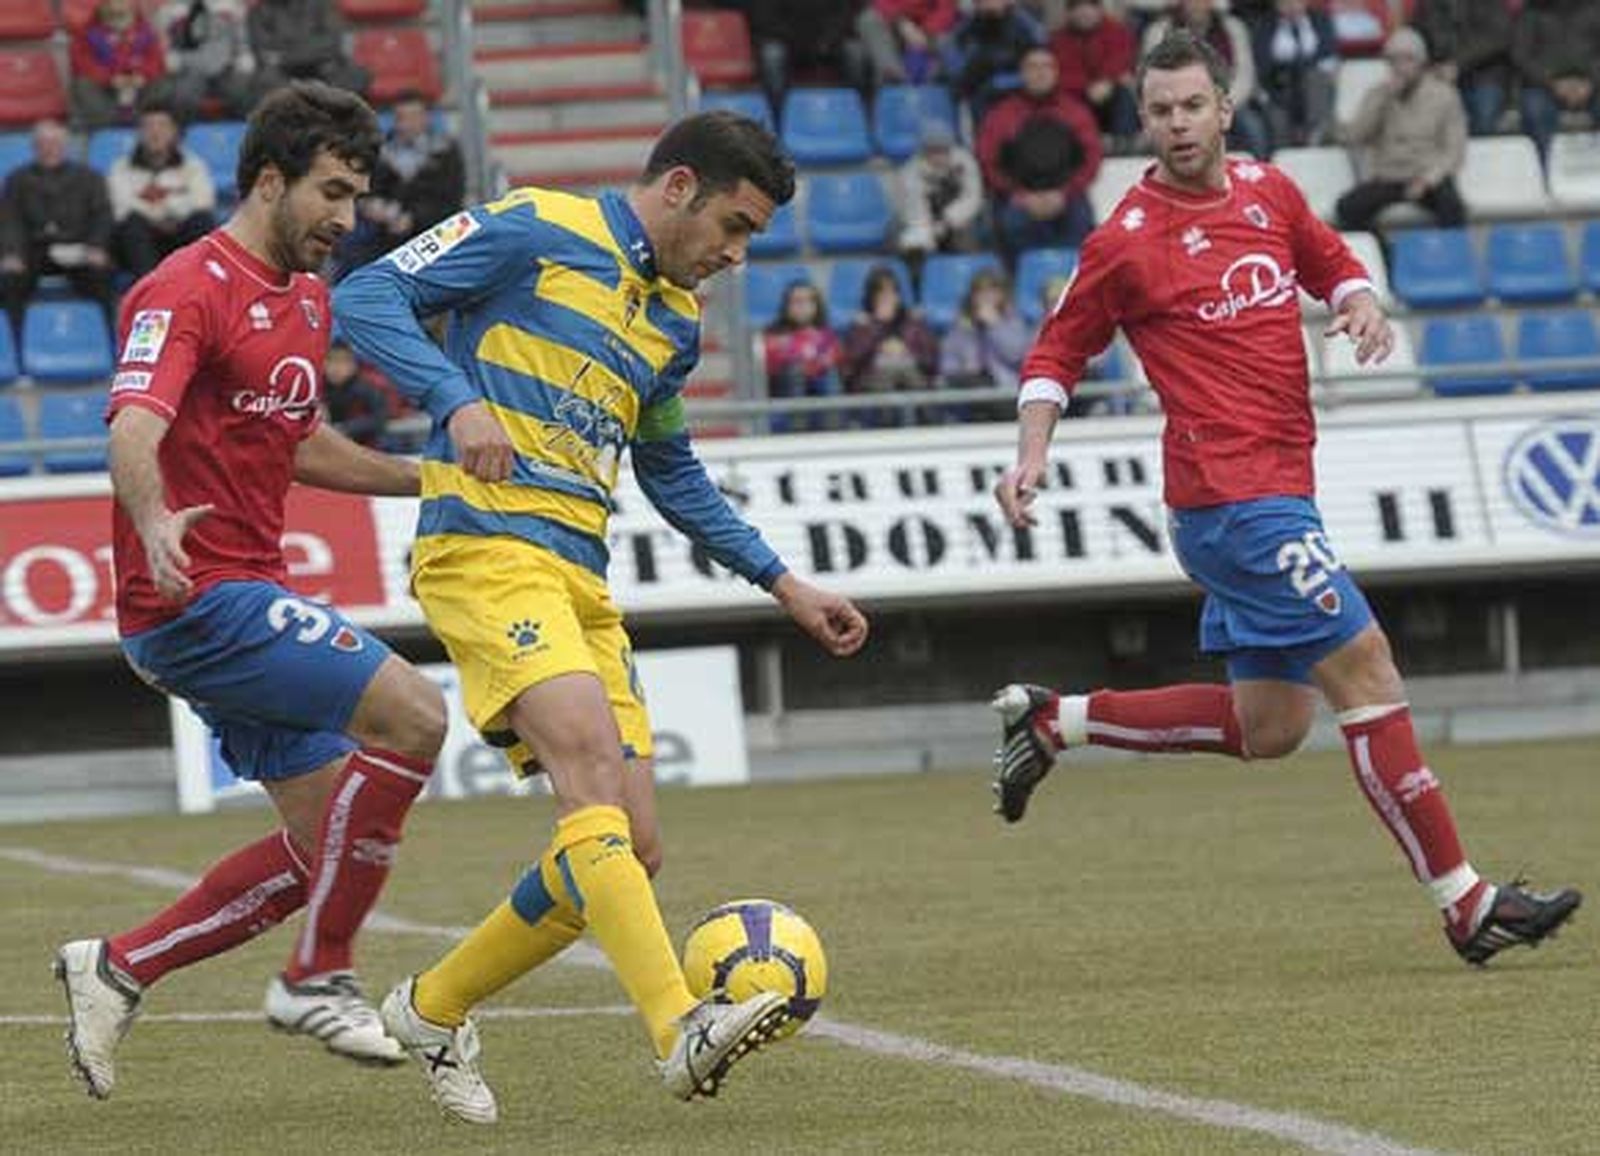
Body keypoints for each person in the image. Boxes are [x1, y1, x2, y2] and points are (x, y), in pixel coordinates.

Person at [990, 31, 1581, 968]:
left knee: (1269, 727)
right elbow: (1057, 353)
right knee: (1368, 667)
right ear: (1141, 121)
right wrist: (1030, 453)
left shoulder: (1269, 191)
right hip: (1231, 503)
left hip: (1278, 492)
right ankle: (1467, 904)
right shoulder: (1125, 241)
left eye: (1193, 106)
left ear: (1225, 108)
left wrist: (1357, 299)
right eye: (1160, 110)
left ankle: (1054, 720)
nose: (1178, 125)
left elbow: (1329, 256)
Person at [333, 110, 869, 1124]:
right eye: (733, 226)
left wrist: (781, 581)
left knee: (630, 844)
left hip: (580, 573)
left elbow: (669, 469)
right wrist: (453, 399)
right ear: (678, 188)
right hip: (485, 546)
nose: (737, 254)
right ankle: (678, 1027)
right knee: (586, 772)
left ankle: (431, 1006)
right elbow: (366, 294)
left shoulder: (672, 322)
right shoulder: (535, 227)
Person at [52, 82, 450, 1102]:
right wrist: (151, 523)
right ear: (269, 178)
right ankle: (321, 974)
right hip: (191, 599)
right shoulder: (183, 288)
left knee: (327, 845)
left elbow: (299, 438)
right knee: (413, 712)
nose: (346, 218)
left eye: (357, 195)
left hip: (247, 590)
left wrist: (426, 477)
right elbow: (131, 428)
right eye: (331, 191)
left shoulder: (309, 298)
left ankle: (118, 966)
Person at [1334, 27, 1467, 233]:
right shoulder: (1378, 93)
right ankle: (1382, 256)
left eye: (1407, 60)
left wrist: (1428, 179)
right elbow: (1356, 136)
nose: (1400, 67)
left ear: (1421, 62)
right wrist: (1383, 100)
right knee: (1347, 207)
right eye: (1393, 60)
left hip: (1427, 175)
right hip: (1389, 176)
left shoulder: (1445, 95)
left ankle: (1446, 259)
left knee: (1452, 206)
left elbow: (1454, 150)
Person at [976, 45, 1101, 260]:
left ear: (1056, 72)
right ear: (1022, 73)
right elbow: (988, 161)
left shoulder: (1075, 111)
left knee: (1082, 225)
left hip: (1067, 196)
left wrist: (1064, 194)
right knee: (1008, 225)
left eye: (1046, 67)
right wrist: (1020, 196)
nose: (1040, 73)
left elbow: (1091, 159)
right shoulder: (1002, 114)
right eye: (1032, 67)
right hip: (1018, 198)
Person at [0, 119, 115, 340]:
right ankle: (17, 347)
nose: (49, 148)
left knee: (102, 276)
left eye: (54, 142)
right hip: (32, 251)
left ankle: (109, 344)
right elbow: (10, 220)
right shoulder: (17, 180)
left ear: (65, 145)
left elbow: (102, 215)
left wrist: (96, 246)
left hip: (79, 249)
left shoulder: (90, 177)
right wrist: (12, 253)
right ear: (34, 147)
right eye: (42, 143)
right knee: (9, 280)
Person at [336, 91, 466, 275]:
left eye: (413, 117)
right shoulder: (381, 151)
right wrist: (372, 206)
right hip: (385, 233)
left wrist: (413, 218)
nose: (406, 124)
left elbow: (451, 199)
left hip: (434, 231)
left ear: (425, 118)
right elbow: (366, 191)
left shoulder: (444, 152)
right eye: (401, 117)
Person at [1143, 0, 1273, 159]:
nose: (1198, 4)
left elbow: (1245, 75)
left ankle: (1258, 177)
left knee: (1253, 127)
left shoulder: (1233, 28)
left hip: (1227, 100)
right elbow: (1152, 79)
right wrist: (1186, 102)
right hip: (1177, 102)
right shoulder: (1159, 31)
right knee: (1161, 128)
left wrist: (1220, 102)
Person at [108, 102, 217, 280]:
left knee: (202, 221)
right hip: (140, 243)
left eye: (162, 126)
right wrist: (161, 214)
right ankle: (152, 292)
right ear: (139, 133)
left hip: (179, 235)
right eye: (148, 126)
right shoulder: (121, 168)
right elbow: (121, 208)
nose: (155, 132)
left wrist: (167, 210)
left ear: (174, 132)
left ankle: (198, 289)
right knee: (131, 225)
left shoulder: (193, 165)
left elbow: (203, 201)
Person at [840, 264, 940, 425]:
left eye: (892, 291)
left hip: (912, 374)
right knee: (889, 372)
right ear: (871, 297)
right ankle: (890, 425)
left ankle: (925, 423)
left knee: (907, 371)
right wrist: (876, 333)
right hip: (872, 378)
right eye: (881, 292)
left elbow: (931, 359)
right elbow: (851, 364)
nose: (887, 297)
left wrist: (907, 350)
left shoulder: (914, 322)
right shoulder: (861, 324)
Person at [1511, 0, 1600, 167]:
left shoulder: (1595, 7)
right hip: (1543, 84)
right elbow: (1520, 54)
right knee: (1535, 110)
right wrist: (1553, 82)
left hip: (1592, 83)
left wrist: (1591, 82)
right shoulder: (1532, 10)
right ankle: (1545, 173)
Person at [1409, 0, 1515, 138]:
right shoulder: (1427, 4)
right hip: (1440, 78)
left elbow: (1500, 36)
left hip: (1484, 77)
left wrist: (1457, 64)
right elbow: (1415, 35)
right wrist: (1429, 66)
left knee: (1484, 134)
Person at [938, 267, 1031, 420]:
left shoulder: (1013, 321)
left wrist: (995, 325)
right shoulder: (961, 328)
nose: (986, 298)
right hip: (971, 394)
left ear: (1002, 295)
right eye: (981, 292)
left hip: (1006, 393)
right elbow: (947, 366)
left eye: (992, 292)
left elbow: (1017, 354)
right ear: (973, 297)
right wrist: (964, 369)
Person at [1049, 0, 1140, 143]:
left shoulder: (1117, 31)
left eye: (1090, 7)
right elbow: (1060, 73)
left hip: (1109, 91)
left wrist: (1106, 80)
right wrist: (1087, 86)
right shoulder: (1058, 40)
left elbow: (1123, 58)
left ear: (1099, 10)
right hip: (1077, 95)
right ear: (1069, 13)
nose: (1085, 13)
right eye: (1079, 9)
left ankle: (1124, 144)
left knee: (1125, 93)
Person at [70, 0, 171, 128]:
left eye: (123, 10)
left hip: (139, 88)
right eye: (112, 12)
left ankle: (141, 121)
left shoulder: (145, 30)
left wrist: (142, 76)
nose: (118, 14)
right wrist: (110, 79)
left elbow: (156, 60)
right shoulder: (87, 32)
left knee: (163, 82)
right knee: (82, 85)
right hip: (106, 90)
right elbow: (82, 64)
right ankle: (110, 124)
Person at [1251, 0, 1338, 148]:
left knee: (1316, 78)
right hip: (1279, 90)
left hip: (1314, 90)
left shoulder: (1321, 21)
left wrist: (1301, 68)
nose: (1291, 5)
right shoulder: (1264, 25)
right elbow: (1262, 66)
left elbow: (1329, 58)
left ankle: (1315, 138)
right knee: (1276, 112)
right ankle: (1284, 153)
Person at [157, 0, 261, 122]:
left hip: (226, 67)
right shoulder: (171, 10)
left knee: (243, 93)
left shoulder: (231, 6)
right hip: (190, 68)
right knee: (182, 97)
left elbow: (241, 35)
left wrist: (244, 54)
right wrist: (170, 55)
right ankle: (187, 137)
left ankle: (246, 134)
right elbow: (163, 39)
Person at [896, 120, 985, 261]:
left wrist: (949, 220)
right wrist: (930, 231)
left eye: (944, 150)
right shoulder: (910, 172)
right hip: (926, 223)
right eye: (934, 151)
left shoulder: (965, 161)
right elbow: (916, 213)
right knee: (910, 244)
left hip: (957, 219)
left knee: (966, 233)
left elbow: (973, 197)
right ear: (924, 151)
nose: (940, 156)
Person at [763, 280, 844, 433]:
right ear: (786, 306)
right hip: (786, 390)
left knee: (829, 375)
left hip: (820, 387)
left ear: (816, 305)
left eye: (808, 301)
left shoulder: (827, 334)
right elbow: (772, 363)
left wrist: (813, 363)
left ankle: (834, 431)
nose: (802, 306)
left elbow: (834, 357)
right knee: (795, 371)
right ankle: (797, 432)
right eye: (797, 301)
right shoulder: (774, 334)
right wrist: (807, 361)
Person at [944, 0, 1047, 120]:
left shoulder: (1026, 26)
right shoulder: (969, 24)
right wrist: (962, 74)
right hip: (975, 89)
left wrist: (999, 82)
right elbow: (952, 51)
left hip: (1015, 88)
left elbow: (1040, 65)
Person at [249, 0, 370, 95]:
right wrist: (311, 47)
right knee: (263, 81)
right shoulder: (259, 10)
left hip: (322, 70)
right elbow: (264, 54)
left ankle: (327, 107)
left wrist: (286, 54)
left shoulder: (323, 4)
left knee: (356, 75)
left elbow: (333, 43)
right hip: (284, 76)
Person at [857, 0, 958, 86]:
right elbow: (880, 2)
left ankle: (933, 85)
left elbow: (946, 9)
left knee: (946, 40)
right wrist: (900, 22)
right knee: (869, 19)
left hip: (930, 30)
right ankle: (896, 79)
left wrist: (925, 31)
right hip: (896, 24)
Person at [323, 340, 390, 446]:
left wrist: (345, 428)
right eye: (330, 360)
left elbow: (379, 418)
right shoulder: (317, 390)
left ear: (354, 365)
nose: (336, 367)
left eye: (343, 361)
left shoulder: (367, 389)